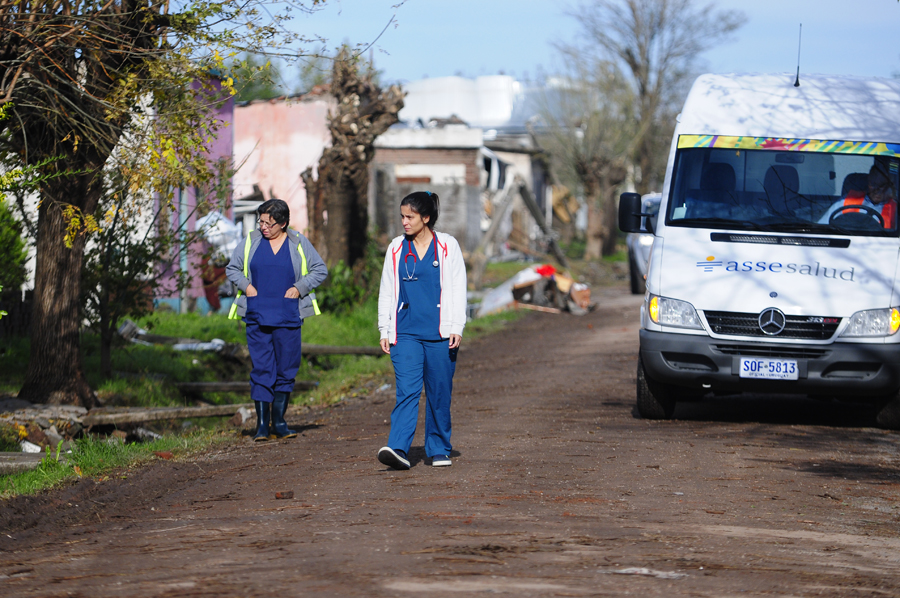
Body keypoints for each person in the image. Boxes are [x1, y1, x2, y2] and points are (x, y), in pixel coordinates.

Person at [376, 191, 467, 470]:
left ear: (425, 218)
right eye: (402, 216)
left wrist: (457, 326)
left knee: (439, 392)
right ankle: (399, 448)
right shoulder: (395, 249)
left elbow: (457, 287)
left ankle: (439, 447)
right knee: (407, 391)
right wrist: (384, 328)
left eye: (410, 217)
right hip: (405, 333)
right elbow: (387, 292)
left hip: (441, 333)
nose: (404, 222)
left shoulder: (447, 246)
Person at [226, 199, 327, 441]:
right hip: (257, 316)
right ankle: (262, 425)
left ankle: (279, 422)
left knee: (286, 369)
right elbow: (232, 269)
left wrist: (299, 287)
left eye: (268, 223)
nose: (263, 227)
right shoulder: (251, 241)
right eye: (261, 221)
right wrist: (247, 286)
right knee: (262, 370)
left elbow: (319, 269)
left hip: (288, 315)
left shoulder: (298, 243)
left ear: (282, 223)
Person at [819, 163, 897, 228]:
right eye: (873, 184)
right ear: (868, 182)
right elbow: (823, 226)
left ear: (890, 185)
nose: (876, 190)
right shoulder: (847, 200)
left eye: (882, 185)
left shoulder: (895, 207)